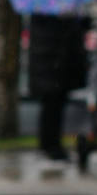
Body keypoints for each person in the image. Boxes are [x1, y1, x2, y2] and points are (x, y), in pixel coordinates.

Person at [26, 13, 90, 162]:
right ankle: (50, 146)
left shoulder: (49, 18)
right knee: (51, 109)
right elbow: (59, 42)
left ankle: (49, 145)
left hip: (54, 72)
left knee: (53, 108)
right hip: (53, 72)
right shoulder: (49, 19)